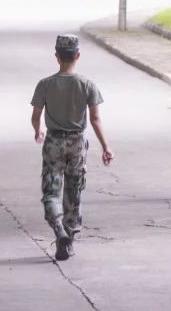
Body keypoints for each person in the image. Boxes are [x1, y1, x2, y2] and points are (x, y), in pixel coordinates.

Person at [30, 34, 113, 261]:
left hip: (54, 142)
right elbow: (95, 119)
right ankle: (69, 241)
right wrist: (106, 147)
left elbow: (36, 116)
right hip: (77, 143)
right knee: (73, 190)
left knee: (51, 190)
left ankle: (58, 229)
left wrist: (38, 131)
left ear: (57, 57)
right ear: (78, 55)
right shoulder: (87, 85)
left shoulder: (45, 84)